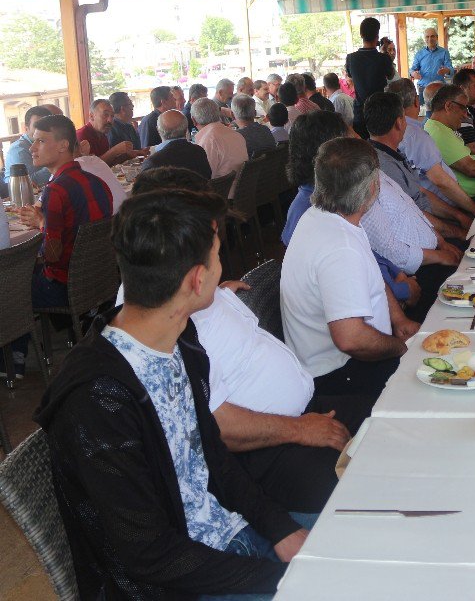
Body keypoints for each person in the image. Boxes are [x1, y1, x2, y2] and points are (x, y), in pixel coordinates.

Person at [36, 188, 307, 599]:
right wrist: (277, 579)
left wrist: (280, 527)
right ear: (197, 279)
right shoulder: (99, 398)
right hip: (176, 584)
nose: (222, 268)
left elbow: (212, 455)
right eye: (217, 257)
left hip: (228, 538)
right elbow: (149, 555)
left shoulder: (180, 338)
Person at [127, 167, 364, 515]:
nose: (217, 264)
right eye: (210, 248)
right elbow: (214, 425)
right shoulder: (161, 328)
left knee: (394, 421)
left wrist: (216, 294)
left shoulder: (186, 292)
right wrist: (299, 429)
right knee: (372, 492)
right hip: (264, 451)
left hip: (302, 411)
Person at [281, 138, 419, 397]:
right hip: (341, 376)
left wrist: (398, 320)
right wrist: (399, 348)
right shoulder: (339, 245)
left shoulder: (324, 217)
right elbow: (351, 339)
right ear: (372, 189)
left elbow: (372, 276)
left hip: (352, 361)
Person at [281, 111, 422, 313]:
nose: (358, 137)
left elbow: (366, 250)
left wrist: (395, 271)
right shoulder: (310, 211)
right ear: (333, 154)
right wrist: (400, 290)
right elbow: (344, 285)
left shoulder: (336, 195)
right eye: (349, 135)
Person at [12, 115, 112, 376]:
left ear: (62, 146)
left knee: (13, 284)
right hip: (99, 279)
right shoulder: (97, 182)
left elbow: (52, 255)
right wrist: (45, 221)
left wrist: (43, 226)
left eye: (41, 141)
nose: (32, 148)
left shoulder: (55, 190)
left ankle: (13, 361)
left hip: (65, 286)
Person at [365, 91, 472, 239]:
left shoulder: (391, 153)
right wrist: (457, 233)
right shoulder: (383, 166)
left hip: (431, 225)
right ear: (399, 122)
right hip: (421, 238)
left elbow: (420, 193)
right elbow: (412, 213)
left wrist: (459, 216)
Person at [386, 78, 475, 215]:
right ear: (416, 101)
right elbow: (440, 181)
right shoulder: (415, 135)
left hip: (423, 208)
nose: (465, 113)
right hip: (444, 210)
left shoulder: (393, 131)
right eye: (462, 108)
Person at [425, 84, 475, 202]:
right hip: (474, 199)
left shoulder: (444, 128)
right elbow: (471, 168)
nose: (465, 115)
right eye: (463, 108)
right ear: (448, 106)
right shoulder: (438, 131)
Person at [345, 17, 394, 137]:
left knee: (363, 148)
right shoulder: (383, 58)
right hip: (380, 110)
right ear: (377, 36)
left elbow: (350, 76)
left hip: (360, 111)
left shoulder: (351, 58)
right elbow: (391, 75)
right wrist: (384, 54)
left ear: (361, 35)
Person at [140, 109, 212, 179]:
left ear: (158, 130)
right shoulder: (199, 151)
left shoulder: (153, 163)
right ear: (186, 129)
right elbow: (207, 178)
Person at [191, 97, 249, 180]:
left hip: (221, 191)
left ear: (193, 120)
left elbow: (204, 178)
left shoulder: (208, 141)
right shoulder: (237, 135)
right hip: (242, 188)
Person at [4, 105, 56, 187]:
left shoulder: (49, 143)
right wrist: (57, 164)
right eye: (37, 126)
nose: (42, 130)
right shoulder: (18, 150)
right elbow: (28, 183)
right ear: (26, 128)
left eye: (46, 126)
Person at [76, 98, 138, 166]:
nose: (110, 120)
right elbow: (90, 167)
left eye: (112, 116)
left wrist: (127, 155)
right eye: (105, 115)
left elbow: (108, 163)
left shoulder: (102, 135)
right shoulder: (81, 135)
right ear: (91, 116)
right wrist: (114, 151)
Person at [409, 27, 453, 103]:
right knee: (423, 113)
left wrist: (447, 70)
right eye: (427, 37)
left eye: (432, 36)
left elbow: (451, 70)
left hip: (439, 88)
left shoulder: (444, 52)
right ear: (424, 39)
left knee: (439, 112)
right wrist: (413, 73)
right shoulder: (419, 54)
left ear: (437, 37)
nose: (430, 39)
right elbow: (412, 69)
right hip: (423, 89)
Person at [232, 94, 277, 158]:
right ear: (255, 113)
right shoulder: (266, 130)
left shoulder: (237, 138)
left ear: (233, 115)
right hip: (273, 166)